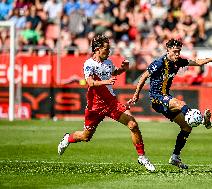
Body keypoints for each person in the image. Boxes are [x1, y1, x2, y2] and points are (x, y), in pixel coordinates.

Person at [57, 34, 155, 172]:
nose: (109, 52)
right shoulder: (89, 64)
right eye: (106, 49)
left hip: (111, 103)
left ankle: (142, 157)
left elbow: (114, 72)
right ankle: (68, 138)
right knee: (86, 137)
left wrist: (123, 69)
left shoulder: (108, 63)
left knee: (132, 124)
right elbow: (90, 82)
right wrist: (106, 82)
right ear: (97, 49)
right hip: (95, 107)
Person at [128, 38, 212, 169]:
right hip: (157, 98)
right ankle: (202, 120)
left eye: (179, 51)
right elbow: (144, 76)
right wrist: (136, 94)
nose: (177, 54)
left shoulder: (179, 61)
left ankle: (175, 157)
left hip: (166, 98)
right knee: (180, 103)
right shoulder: (159, 63)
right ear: (168, 50)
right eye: (175, 51)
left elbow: (197, 62)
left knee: (186, 128)